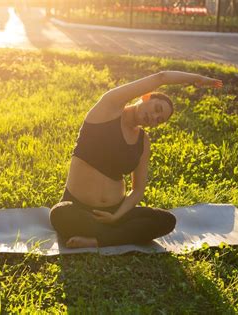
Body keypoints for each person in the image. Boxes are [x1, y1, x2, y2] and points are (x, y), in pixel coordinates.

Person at [50, 71, 223, 248]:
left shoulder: (143, 141)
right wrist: (197, 79)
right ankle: (117, 237)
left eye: (159, 120)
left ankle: (99, 239)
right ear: (145, 96)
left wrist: (116, 216)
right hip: (79, 208)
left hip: (116, 213)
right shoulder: (107, 109)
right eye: (157, 109)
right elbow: (161, 78)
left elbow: (138, 189)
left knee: (166, 220)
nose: (154, 118)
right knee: (59, 214)